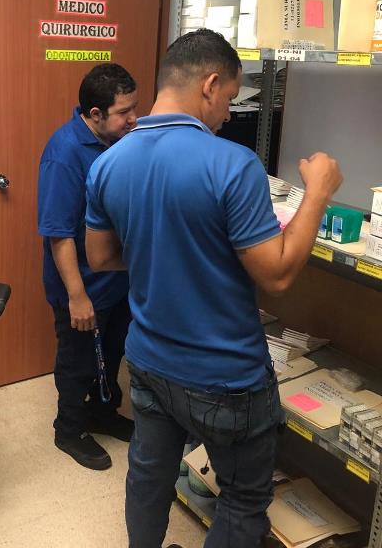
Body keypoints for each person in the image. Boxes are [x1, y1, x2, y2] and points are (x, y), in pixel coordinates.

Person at [85, 30, 343, 548]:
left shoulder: (107, 163)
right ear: (209, 84)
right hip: (226, 376)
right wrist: (317, 192)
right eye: (228, 98)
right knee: (243, 499)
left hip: (150, 360)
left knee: (149, 477)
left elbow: (102, 257)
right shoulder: (232, 163)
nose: (227, 114)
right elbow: (277, 275)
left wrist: (168, 250)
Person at [38, 63, 138, 471]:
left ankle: (102, 412)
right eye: (124, 112)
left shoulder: (118, 141)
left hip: (115, 279)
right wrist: (77, 297)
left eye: (134, 108)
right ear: (95, 114)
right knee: (77, 362)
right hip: (80, 286)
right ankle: (69, 429)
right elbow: (58, 234)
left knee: (111, 354)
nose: (134, 118)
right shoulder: (64, 153)